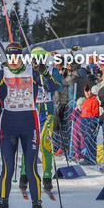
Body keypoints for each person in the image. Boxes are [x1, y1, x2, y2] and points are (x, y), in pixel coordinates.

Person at [0, 43, 56, 208]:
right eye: (10, 57)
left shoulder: (33, 72)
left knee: (31, 169)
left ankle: (37, 206)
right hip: (8, 126)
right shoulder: (2, 74)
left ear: (21, 57)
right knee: (8, 169)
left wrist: (45, 73)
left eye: (17, 57)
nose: (13, 60)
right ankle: (3, 204)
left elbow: (52, 87)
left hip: (29, 126)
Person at [18, 47, 61, 196]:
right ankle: (24, 174)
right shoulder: (27, 70)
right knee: (29, 143)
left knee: (45, 143)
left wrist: (46, 74)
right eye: (34, 59)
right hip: (31, 111)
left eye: (39, 59)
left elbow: (57, 87)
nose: (36, 62)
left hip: (46, 111)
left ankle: (47, 176)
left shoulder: (51, 70)